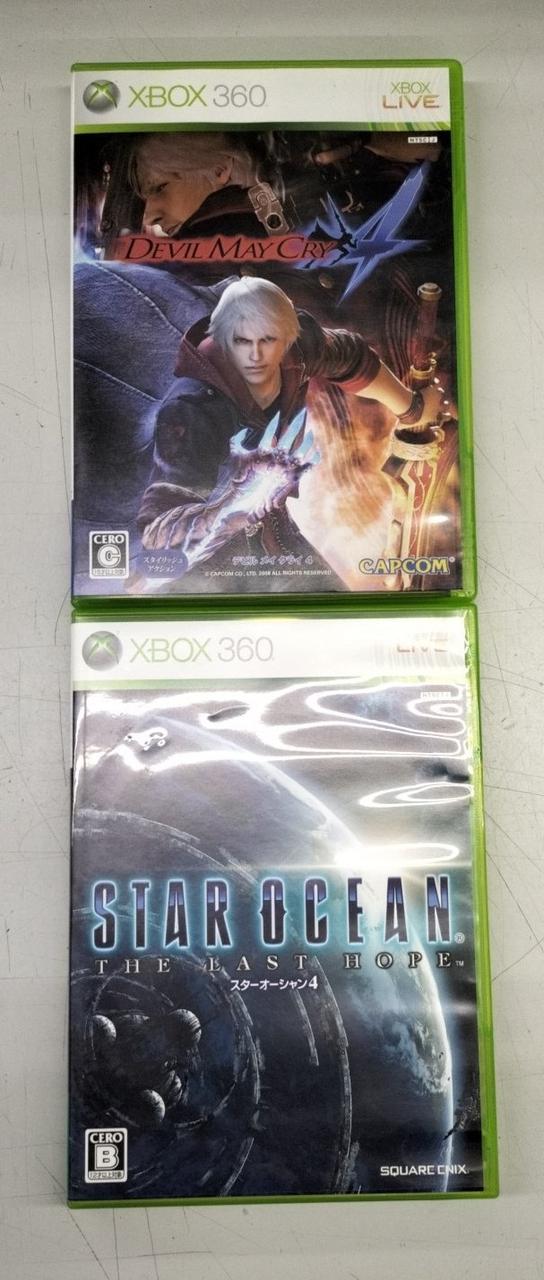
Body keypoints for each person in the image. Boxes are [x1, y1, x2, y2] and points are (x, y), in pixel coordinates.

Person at [137, 277, 443, 583]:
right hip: (211, 565)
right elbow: (158, 533)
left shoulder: (298, 348)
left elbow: (351, 357)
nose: (256, 355)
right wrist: (229, 508)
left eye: (268, 340)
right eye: (241, 341)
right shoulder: (191, 411)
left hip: (275, 535)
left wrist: (411, 407)